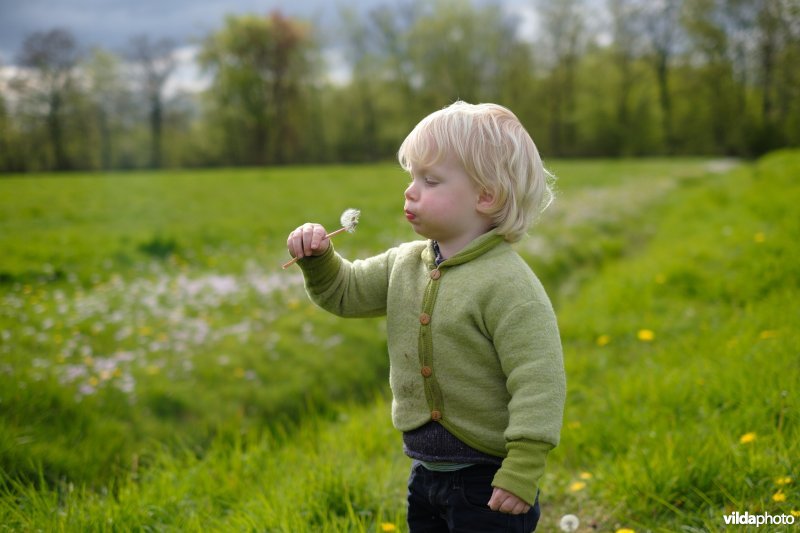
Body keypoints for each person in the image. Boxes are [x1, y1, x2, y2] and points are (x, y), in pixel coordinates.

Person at [286, 101, 566, 533]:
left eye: (430, 181)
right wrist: (319, 259)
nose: (410, 192)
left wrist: (523, 467)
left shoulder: (509, 285)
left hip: (489, 480)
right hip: (426, 472)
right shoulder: (403, 264)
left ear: (486, 196)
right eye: (412, 177)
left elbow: (539, 378)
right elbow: (344, 293)